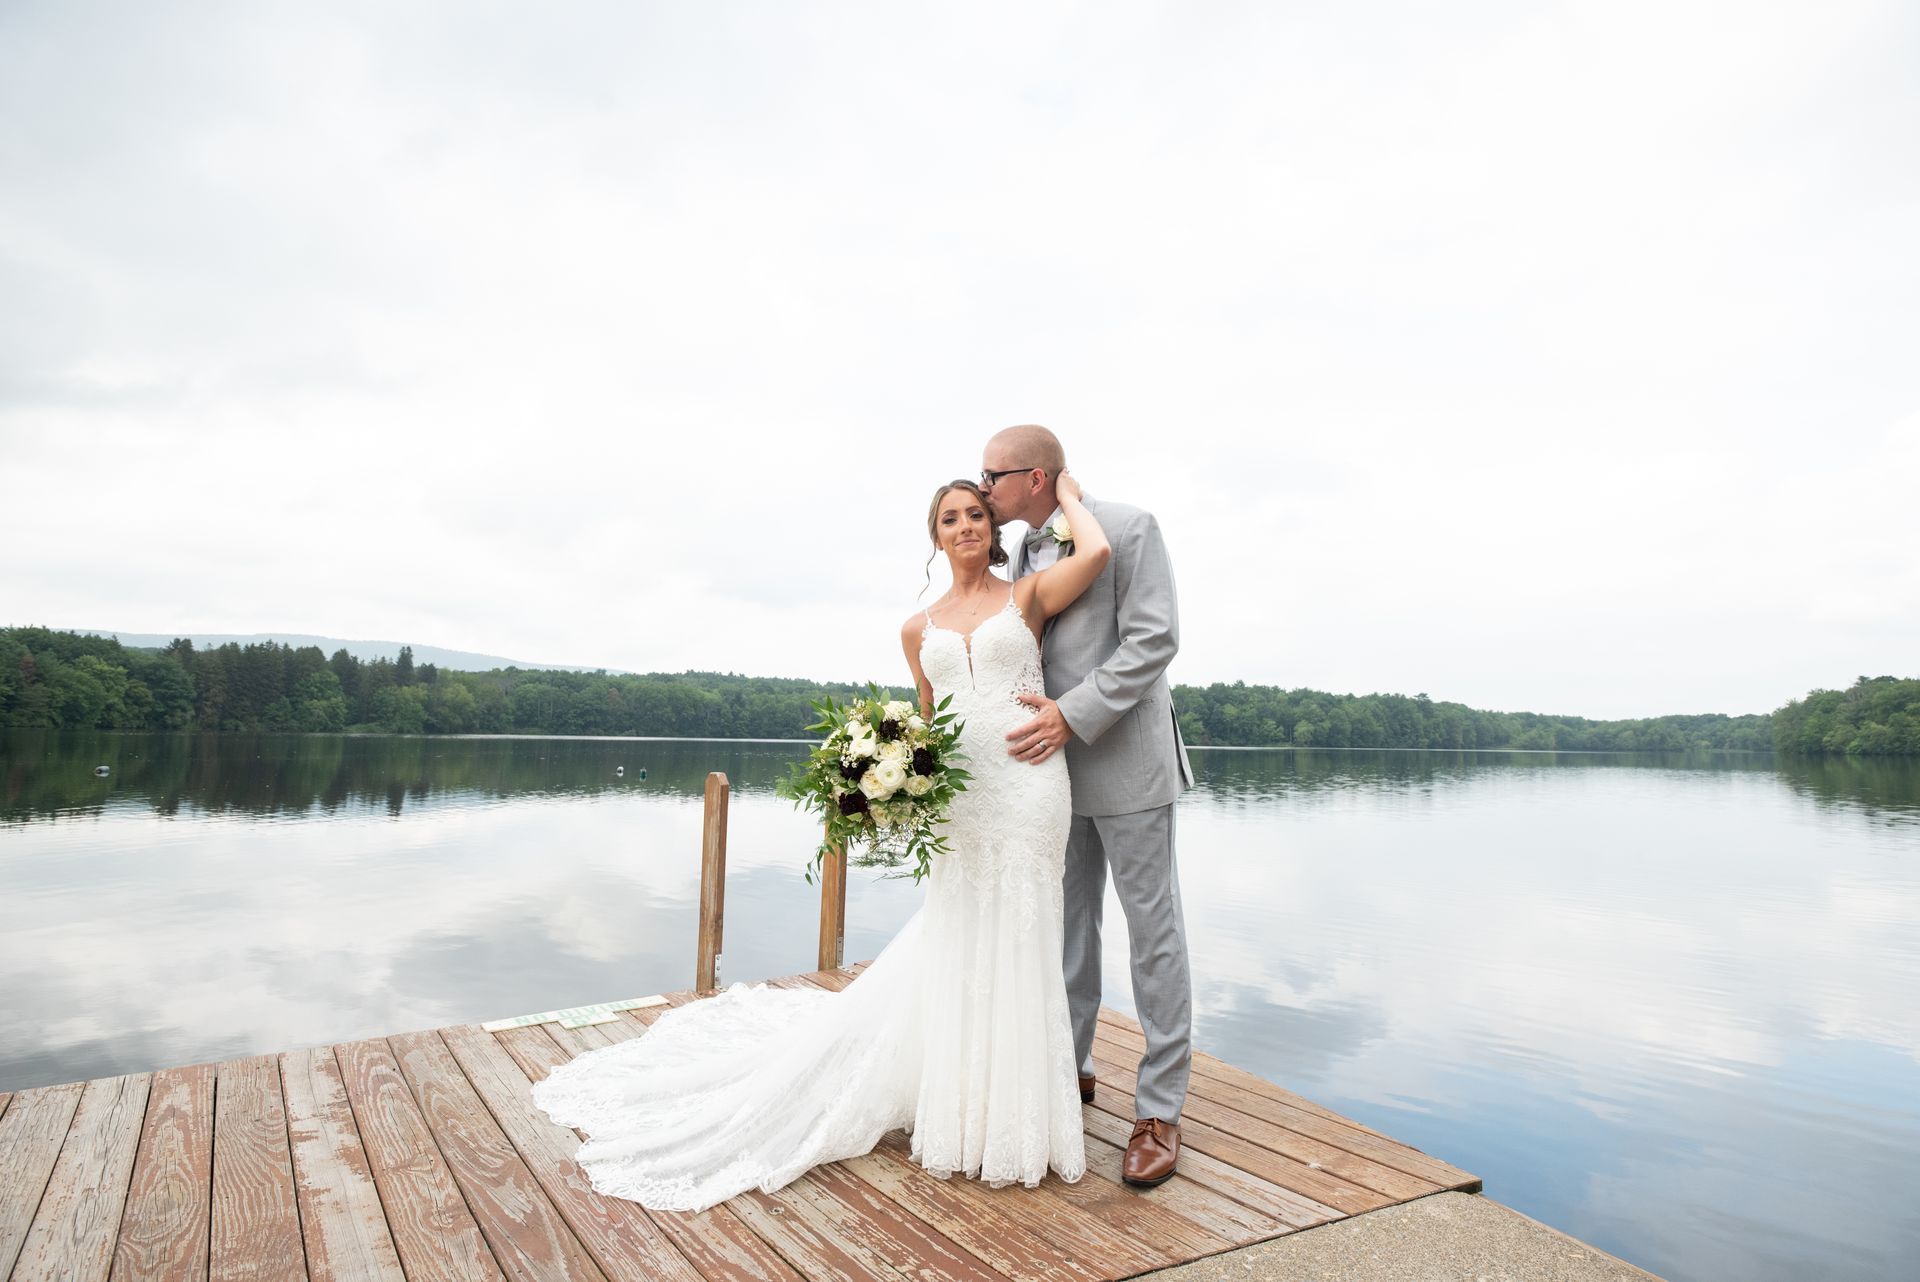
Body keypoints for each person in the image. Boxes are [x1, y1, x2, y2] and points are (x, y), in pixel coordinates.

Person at [531, 473, 1112, 1211]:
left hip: (1029, 786)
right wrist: (890, 776)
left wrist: (1062, 490)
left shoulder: (1024, 597)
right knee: (962, 932)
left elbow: (1091, 551)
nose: (964, 526)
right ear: (934, 536)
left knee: (1027, 933)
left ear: (992, 526)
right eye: (949, 518)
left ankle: (1018, 1118)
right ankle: (960, 1105)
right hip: (963, 801)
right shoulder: (918, 629)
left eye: (975, 514)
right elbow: (927, 725)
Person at [983, 423, 1194, 1187]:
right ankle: (1069, 1072)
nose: (983, 490)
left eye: (993, 476)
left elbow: (1154, 640)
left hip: (1128, 763)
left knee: (1153, 936)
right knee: (1067, 929)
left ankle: (1160, 1111)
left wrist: (1072, 713)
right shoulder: (1019, 554)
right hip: (1049, 772)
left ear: (1036, 478)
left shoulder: (1131, 527)